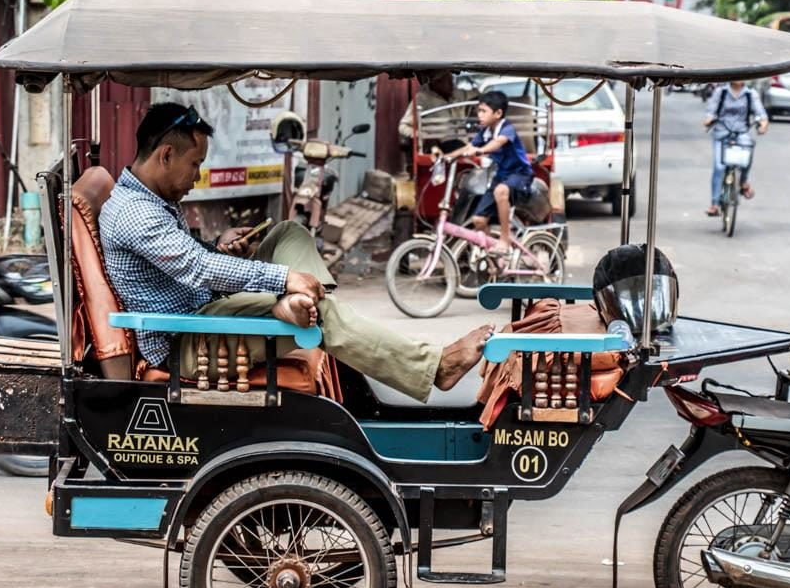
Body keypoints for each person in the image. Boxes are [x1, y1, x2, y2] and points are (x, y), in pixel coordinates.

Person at [98, 102, 492, 401]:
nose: (197, 176)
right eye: (195, 164)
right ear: (165, 155)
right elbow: (197, 269)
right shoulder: (135, 213)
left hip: (208, 311)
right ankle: (434, 366)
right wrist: (283, 278)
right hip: (192, 339)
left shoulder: (151, 201)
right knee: (324, 314)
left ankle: (296, 304)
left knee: (289, 232)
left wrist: (220, 246)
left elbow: (188, 257)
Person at [446, 90, 533, 254]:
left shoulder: (507, 129)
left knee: (501, 191)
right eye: (479, 110)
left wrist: (480, 151)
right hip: (501, 175)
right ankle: (492, 256)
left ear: (498, 113)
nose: (479, 115)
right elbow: (469, 146)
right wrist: (447, 157)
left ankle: (505, 240)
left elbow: (498, 143)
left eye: (483, 111)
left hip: (520, 174)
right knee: (478, 220)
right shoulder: (485, 131)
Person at [703, 80, 768, 216]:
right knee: (719, 167)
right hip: (722, 134)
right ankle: (714, 204)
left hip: (741, 133)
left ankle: (743, 182)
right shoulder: (721, 92)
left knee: (746, 157)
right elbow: (710, 112)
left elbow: (761, 115)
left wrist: (762, 125)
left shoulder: (751, 94)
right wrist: (709, 120)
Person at [397, 71, 472, 155]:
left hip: (466, 144)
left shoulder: (459, 94)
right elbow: (403, 127)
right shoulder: (421, 99)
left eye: (450, 79)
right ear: (435, 82)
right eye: (445, 80)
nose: (450, 83)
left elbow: (481, 98)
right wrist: (424, 136)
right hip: (439, 145)